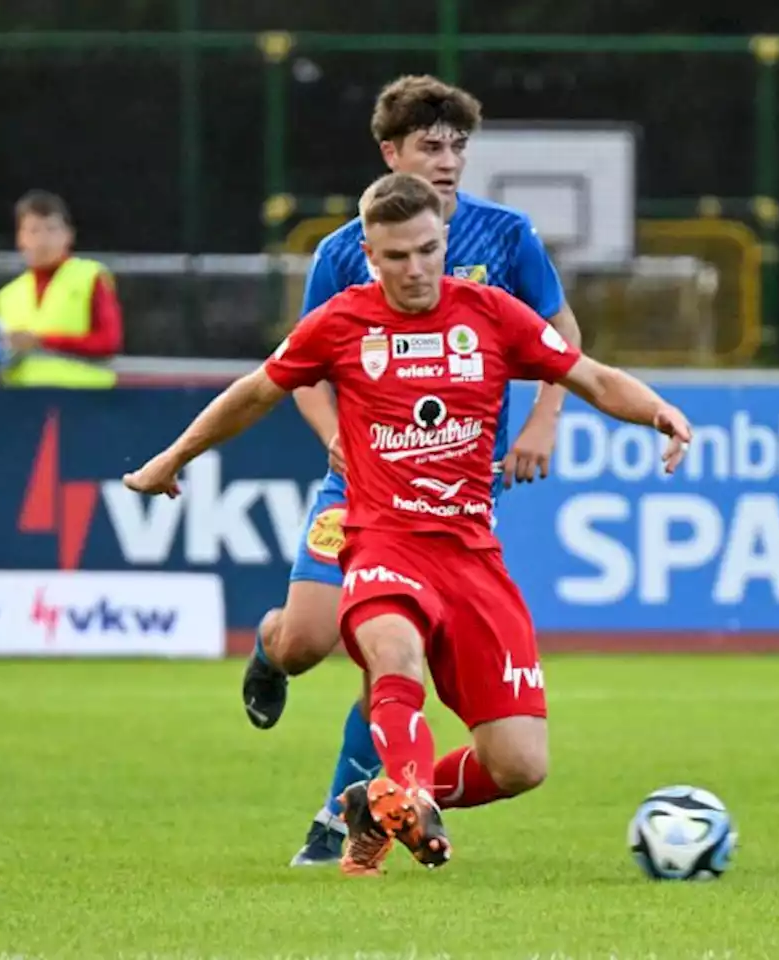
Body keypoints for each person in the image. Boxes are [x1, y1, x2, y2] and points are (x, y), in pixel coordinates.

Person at [122, 172, 691, 876]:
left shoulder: (492, 313)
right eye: (396, 256)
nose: (415, 268)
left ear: (444, 240)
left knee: (519, 764)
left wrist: (658, 410)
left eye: (426, 250)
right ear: (368, 252)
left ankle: (375, 799)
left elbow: (592, 377)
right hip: (382, 541)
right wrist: (174, 457)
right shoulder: (340, 323)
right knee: (393, 655)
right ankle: (409, 792)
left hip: (473, 554)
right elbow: (255, 392)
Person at [240, 74, 583, 867]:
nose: (450, 158)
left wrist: (542, 418)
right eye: (431, 144)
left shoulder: (506, 238)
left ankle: (346, 819)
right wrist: (333, 435)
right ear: (389, 152)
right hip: (358, 482)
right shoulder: (342, 252)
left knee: (395, 651)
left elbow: (562, 333)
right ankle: (268, 645)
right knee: (306, 642)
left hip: (455, 492)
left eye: (459, 144)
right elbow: (301, 367)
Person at [0, 190, 123, 388]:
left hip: (84, 399)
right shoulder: (8, 295)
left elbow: (109, 341)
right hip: (23, 403)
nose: (42, 240)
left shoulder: (90, 277)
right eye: (33, 231)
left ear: (69, 235)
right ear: (20, 238)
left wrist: (42, 341)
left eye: (51, 229)